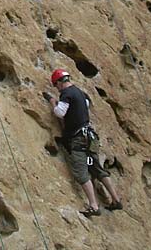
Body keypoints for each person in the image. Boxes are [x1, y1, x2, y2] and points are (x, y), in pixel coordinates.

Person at [45, 69, 123, 217]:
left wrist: (52, 101)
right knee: (96, 167)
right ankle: (116, 199)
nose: (57, 88)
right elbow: (84, 106)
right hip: (90, 136)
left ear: (59, 83)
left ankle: (93, 206)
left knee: (81, 172)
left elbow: (60, 112)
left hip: (78, 139)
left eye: (56, 85)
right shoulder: (81, 93)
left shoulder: (66, 94)